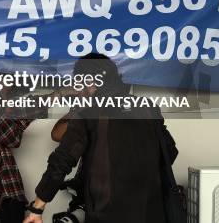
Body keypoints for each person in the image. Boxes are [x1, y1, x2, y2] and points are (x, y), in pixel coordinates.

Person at [24, 54, 178, 223]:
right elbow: (170, 151)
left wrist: (36, 208)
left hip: (107, 214)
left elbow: (62, 160)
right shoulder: (148, 107)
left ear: (91, 84)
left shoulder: (89, 113)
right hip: (152, 213)